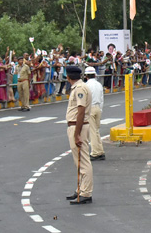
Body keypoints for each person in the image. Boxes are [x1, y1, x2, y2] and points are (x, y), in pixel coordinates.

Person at [64, 66, 94, 204]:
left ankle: (86, 192)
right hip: (76, 125)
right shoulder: (79, 87)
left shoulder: (80, 88)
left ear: (68, 77)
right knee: (78, 161)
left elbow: (81, 111)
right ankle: (80, 189)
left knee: (83, 160)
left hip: (78, 126)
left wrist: (77, 134)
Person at [84, 67, 105, 161]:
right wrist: (100, 109)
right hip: (98, 108)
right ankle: (100, 151)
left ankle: (95, 152)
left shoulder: (86, 85)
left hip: (90, 108)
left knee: (92, 132)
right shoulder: (99, 84)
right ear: (95, 75)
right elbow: (102, 98)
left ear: (86, 76)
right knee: (96, 131)